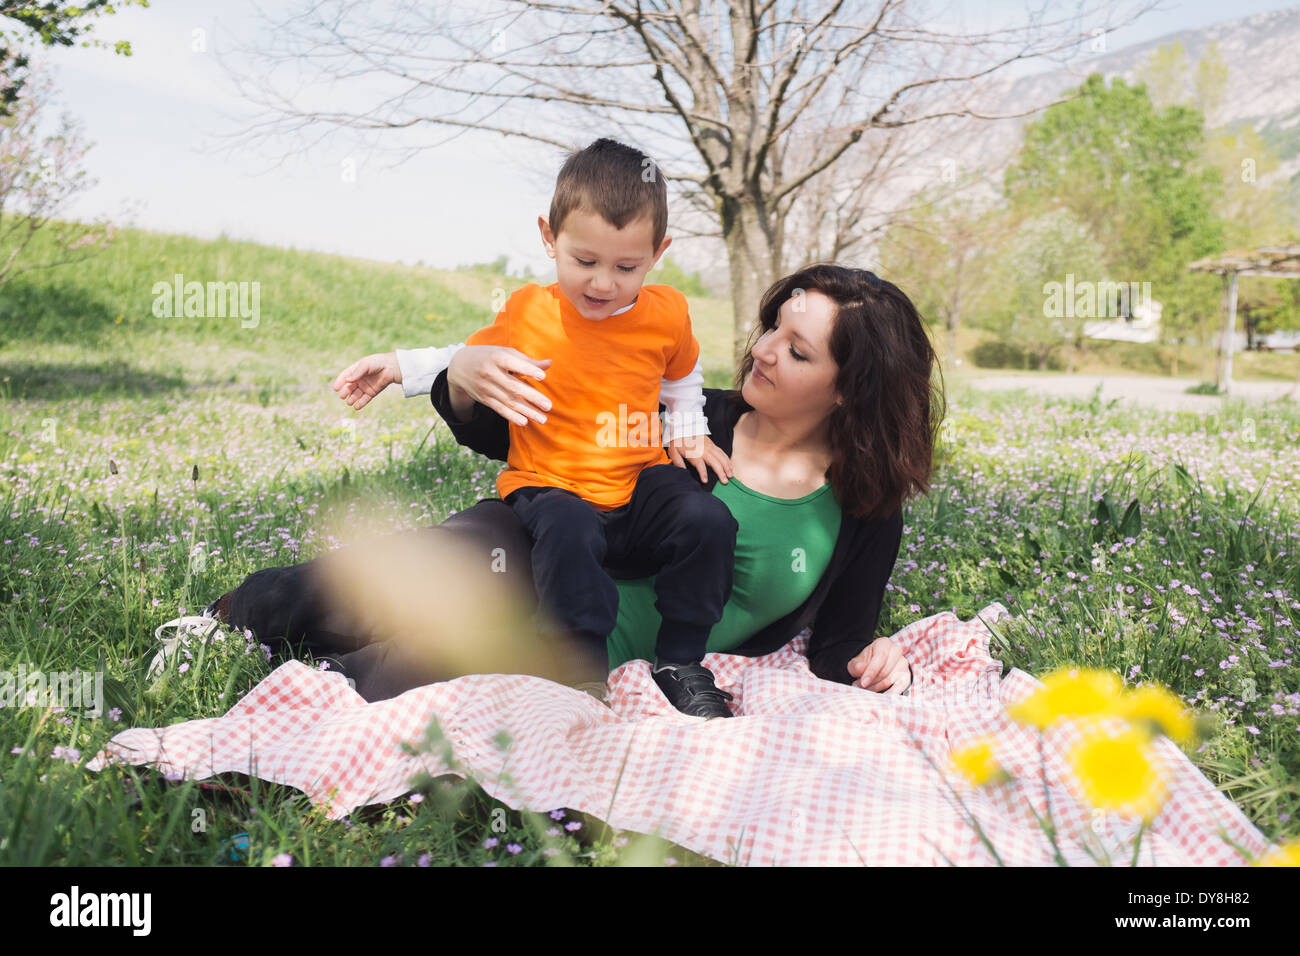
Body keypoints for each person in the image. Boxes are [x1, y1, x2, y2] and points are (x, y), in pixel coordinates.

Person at [183, 263, 941, 704]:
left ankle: (267, 739)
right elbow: (522, 428)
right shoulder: (689, 418)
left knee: (392, 680)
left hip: (580, 656)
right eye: (773, 324)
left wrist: (879, 660)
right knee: (341, 591)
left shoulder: (865, 506)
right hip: (527, 558)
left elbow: (840, 642)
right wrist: (464, 377)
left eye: (798, 350)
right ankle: (229, 622)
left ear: (850, 391)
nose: (765, 350)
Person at [442, 137, 742, 717]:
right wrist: (400, 368)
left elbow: (682, 374)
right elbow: (461, 355)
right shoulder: (529, 310)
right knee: (569, 530)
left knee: (707, 519)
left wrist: (687, 428)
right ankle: (580, 673)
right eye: (585, 262)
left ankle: (681, 660)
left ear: (657, 254)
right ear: (549, 237)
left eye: (626, 267)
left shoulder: (668, 313)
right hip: (551, 477)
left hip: (637, 475)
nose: (603, 283)